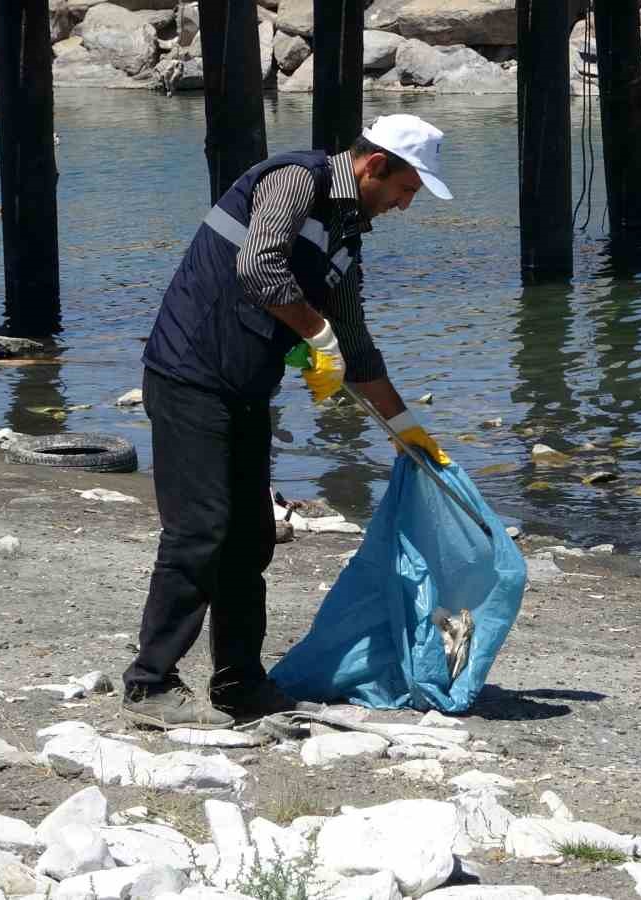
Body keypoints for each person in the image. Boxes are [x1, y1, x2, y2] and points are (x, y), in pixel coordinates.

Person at [121, 114, 456, 729]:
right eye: (406, 190)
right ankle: (150, 683)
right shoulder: (296, 180)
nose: (405, 206)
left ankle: (240, 684)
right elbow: (259, 265)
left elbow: (356, 347)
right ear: (375, 166)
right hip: (188, 375)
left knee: (250, 539)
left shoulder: (345, 239)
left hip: (245, 389)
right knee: (200, 531)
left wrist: (410, 433)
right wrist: (314, 329)